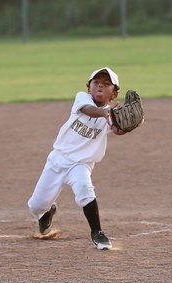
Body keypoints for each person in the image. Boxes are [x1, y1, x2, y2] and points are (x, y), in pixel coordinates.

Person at [27, 67, 126, 250]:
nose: (99, 87)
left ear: (114, 93)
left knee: (85, 190)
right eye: (96, 83)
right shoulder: (82, 99)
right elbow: (89, 111)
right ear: (89, 87)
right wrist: (108, 113)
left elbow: (118, 130)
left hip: (81, 164)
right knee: (35, 206)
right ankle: (47, 212)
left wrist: (130, 124)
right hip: (58, 159)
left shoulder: (111, 114)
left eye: (106, 84)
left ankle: (97, 233)